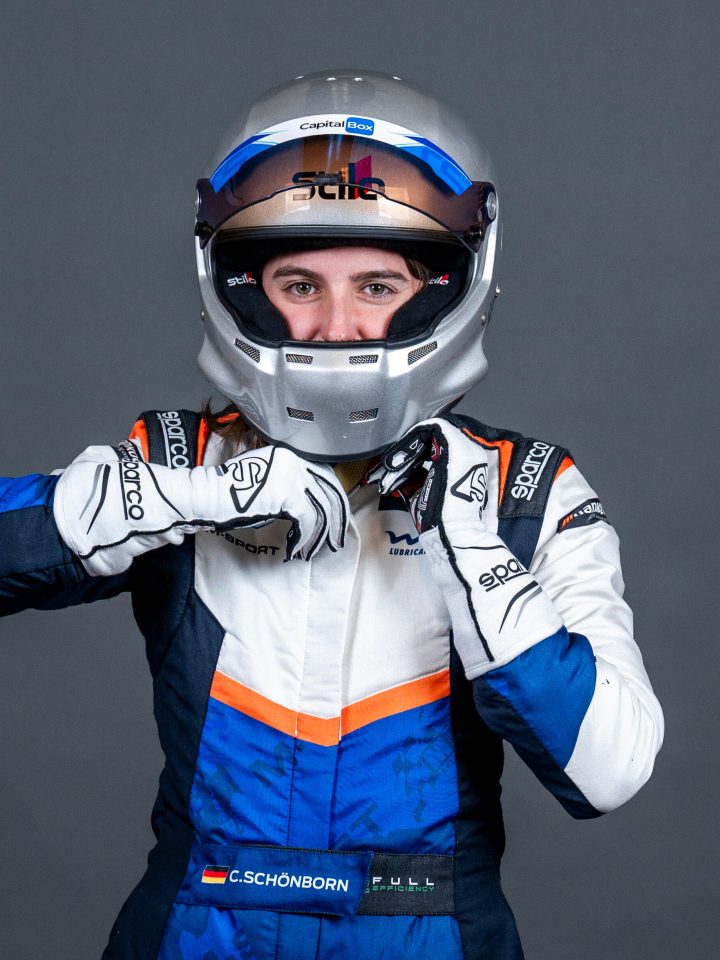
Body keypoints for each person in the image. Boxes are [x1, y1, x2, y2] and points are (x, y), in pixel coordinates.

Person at [0, 70, 663, 960]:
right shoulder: (178, 460)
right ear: (243, 286)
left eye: (378, 286)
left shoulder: (525, 489)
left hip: (427, 930)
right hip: (199, 926)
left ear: (444, 287)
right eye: (300, 285)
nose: (337, 327)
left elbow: (610, 768)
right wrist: (182, 498)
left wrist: (467, 545)